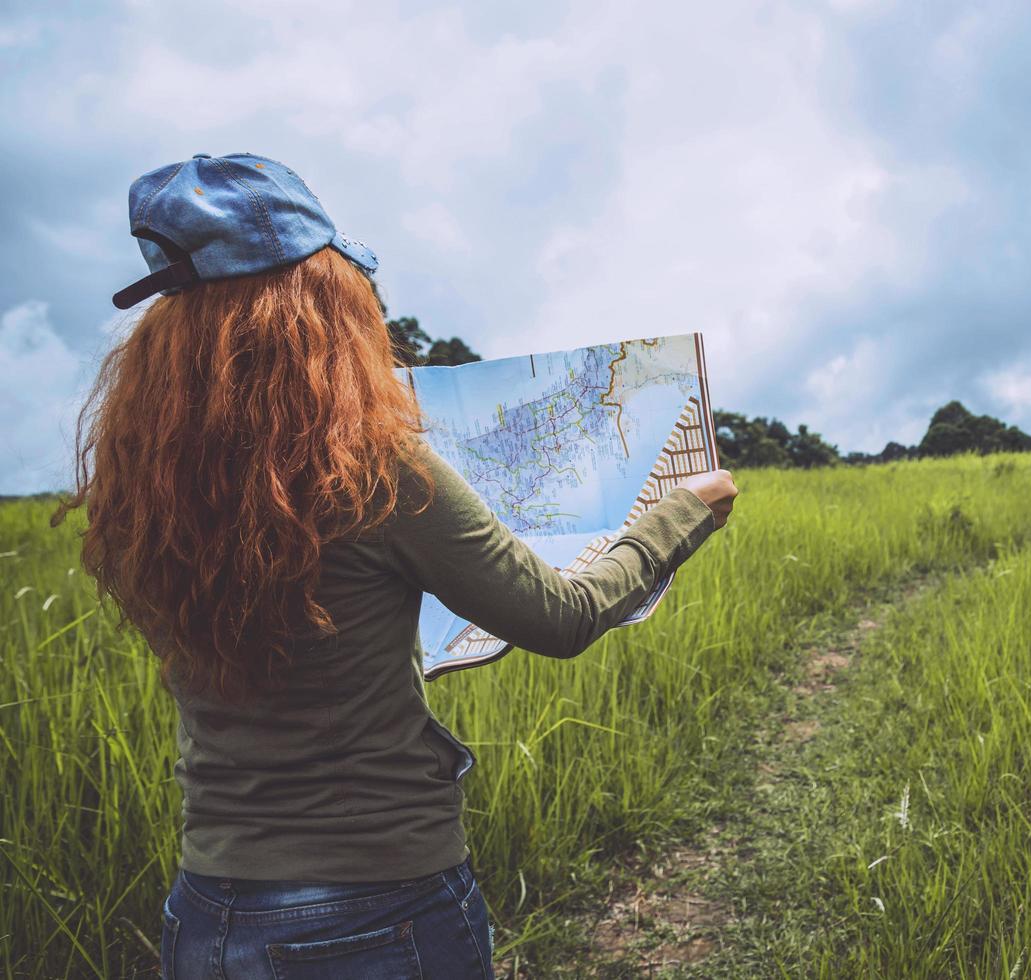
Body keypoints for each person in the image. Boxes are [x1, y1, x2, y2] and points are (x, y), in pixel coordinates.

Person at [53, 152, 738, 979]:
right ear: (318, 307)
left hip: (207, 911)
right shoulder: (375, 470)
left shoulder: (142, 482)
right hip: (380, 905)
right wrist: (682, 513)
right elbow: (559, 620)